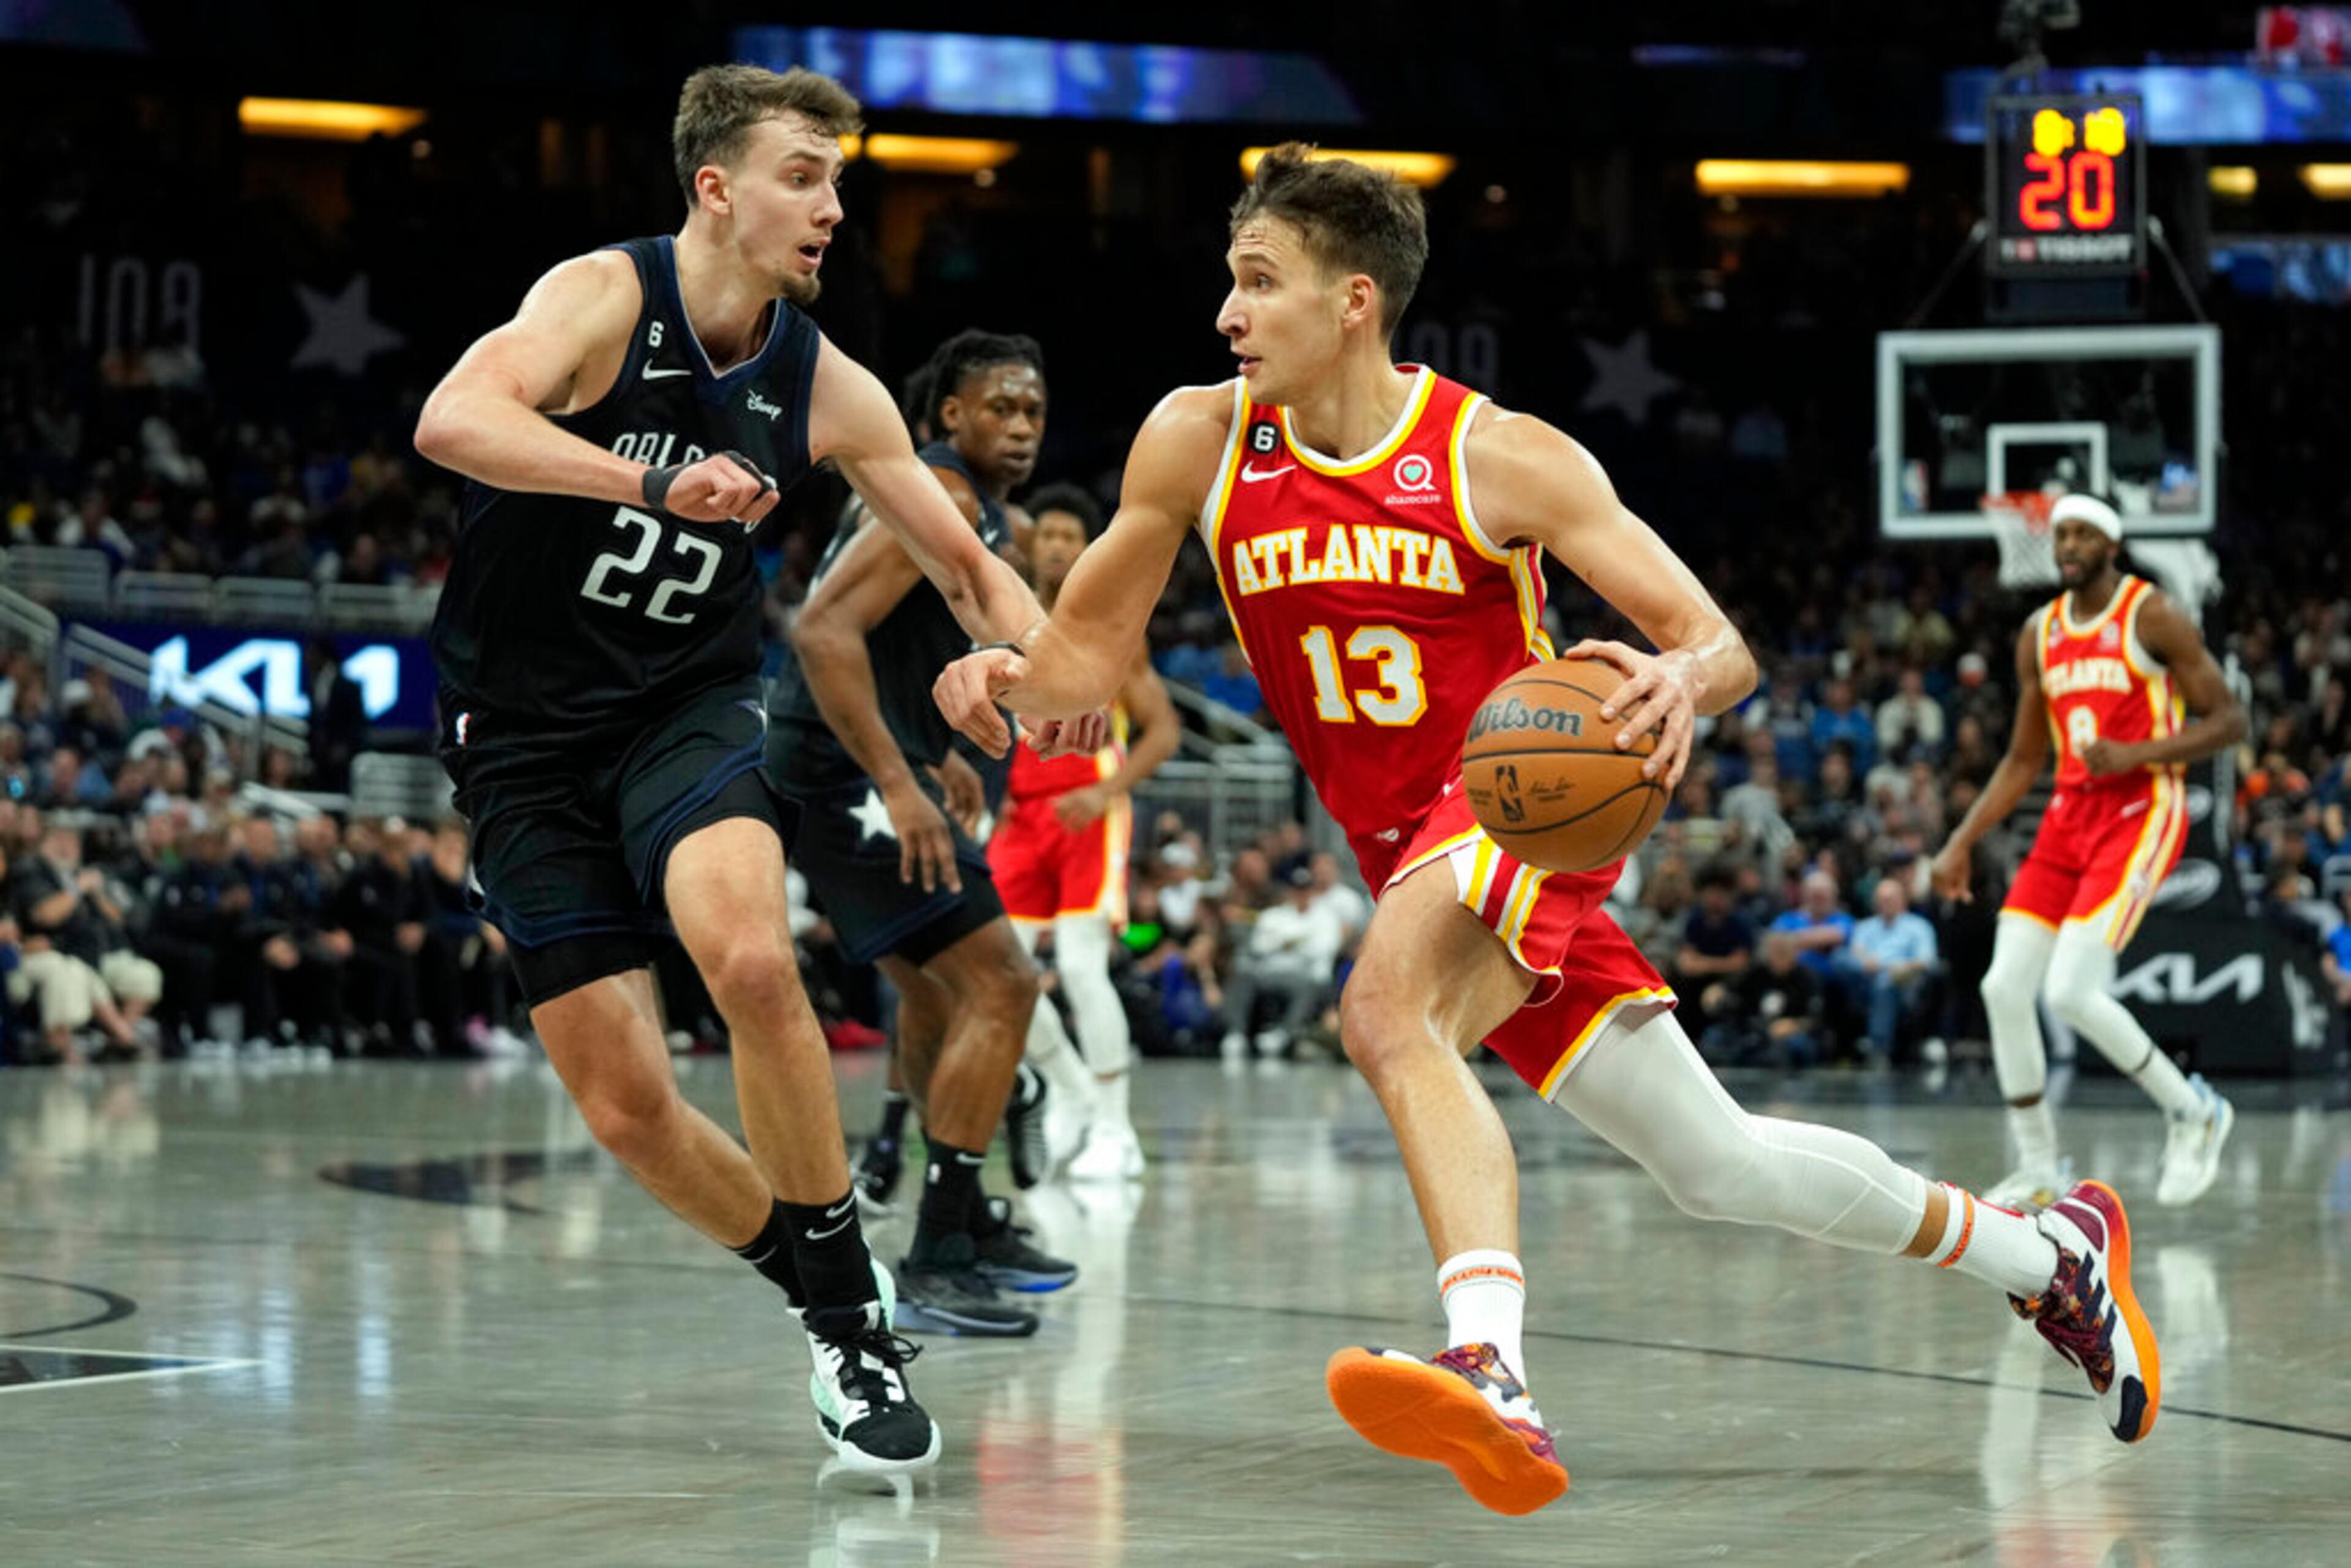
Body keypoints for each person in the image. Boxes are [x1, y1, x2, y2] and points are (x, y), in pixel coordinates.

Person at [934, 145, 2161, 1514]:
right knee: (1717, 1162)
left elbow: (1717, 641)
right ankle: (2044, 1254)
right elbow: (1084, 662)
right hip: (1403, 846)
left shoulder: (1495, 453)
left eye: (1258, 282)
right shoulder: (1198, 439)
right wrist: (1001, 677)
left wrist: (1681, 679)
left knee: (1386, 1009)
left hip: (1525, 799)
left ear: (1353, 300)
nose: (1228, 312)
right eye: (1230, 280)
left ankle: (1495, 1367)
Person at [412, 64, 1057, 1478]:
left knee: (755, 963)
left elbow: (966, 565)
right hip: (519, 742)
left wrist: (1033, 667)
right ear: (716, 188)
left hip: (686, 712)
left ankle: (847, 1331)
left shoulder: (824, 381)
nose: (832, 207)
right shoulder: (601, 296)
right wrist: (651, 482)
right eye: (803, 177)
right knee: (628, 1107)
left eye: (838, 181)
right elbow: (452, 422)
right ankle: (830, 1286)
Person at [769, 328, 1081, 1337]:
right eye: (1002, 406)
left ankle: (962, 1218)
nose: (1023, 426)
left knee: (939, 988)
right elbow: (822, 631)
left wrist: (928, 750)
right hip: (836, 772)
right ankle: (941, 1245)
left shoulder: (963, 503)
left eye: (1033, 409)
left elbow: (895, 643)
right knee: (1003, 980)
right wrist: (897, 780)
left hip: (858, 761)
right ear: (948, 415)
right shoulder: (940, 496)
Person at [1930, 491, 2244, 1209]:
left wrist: (2136, 751)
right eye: (2060, 533)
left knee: (2070, 989)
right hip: (2068, 817)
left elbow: (2230, 720)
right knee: (2004, 986)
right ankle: (2041, 1162)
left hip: (2140, 810)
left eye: (2081, 532)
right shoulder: (2038, 634)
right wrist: (1960, 840)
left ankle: (2195, 1110)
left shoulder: (2149, 612)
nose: (2066, 543)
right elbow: (2019, 760)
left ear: (2111, 542)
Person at [986, 482, 1179, 1178]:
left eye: (1074, 535)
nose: (1061, 545)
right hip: (1021, 813)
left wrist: (1106, 792)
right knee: (998, 970)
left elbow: (1164, 730)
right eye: (1052, 534)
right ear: (1031, 544)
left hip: (1086, 810)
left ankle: (1116, 1129)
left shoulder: (1110, 624)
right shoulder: (999, 613)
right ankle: (1069, 1094)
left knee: (1079, 967)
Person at [1845, 874, 1938, 1063]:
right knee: (1840, 960)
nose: (1885, 903)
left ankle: (1879, 1049)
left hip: (1905, 981)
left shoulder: (1919, 927)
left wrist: (1891, 967)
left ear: (1903, 900)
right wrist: (1868, 962)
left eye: (1890, 899)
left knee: (1886, 982)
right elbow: (1854, 952)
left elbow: (1926, 961)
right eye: (1881, 899)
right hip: (1864, 980)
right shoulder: (1865, 927)